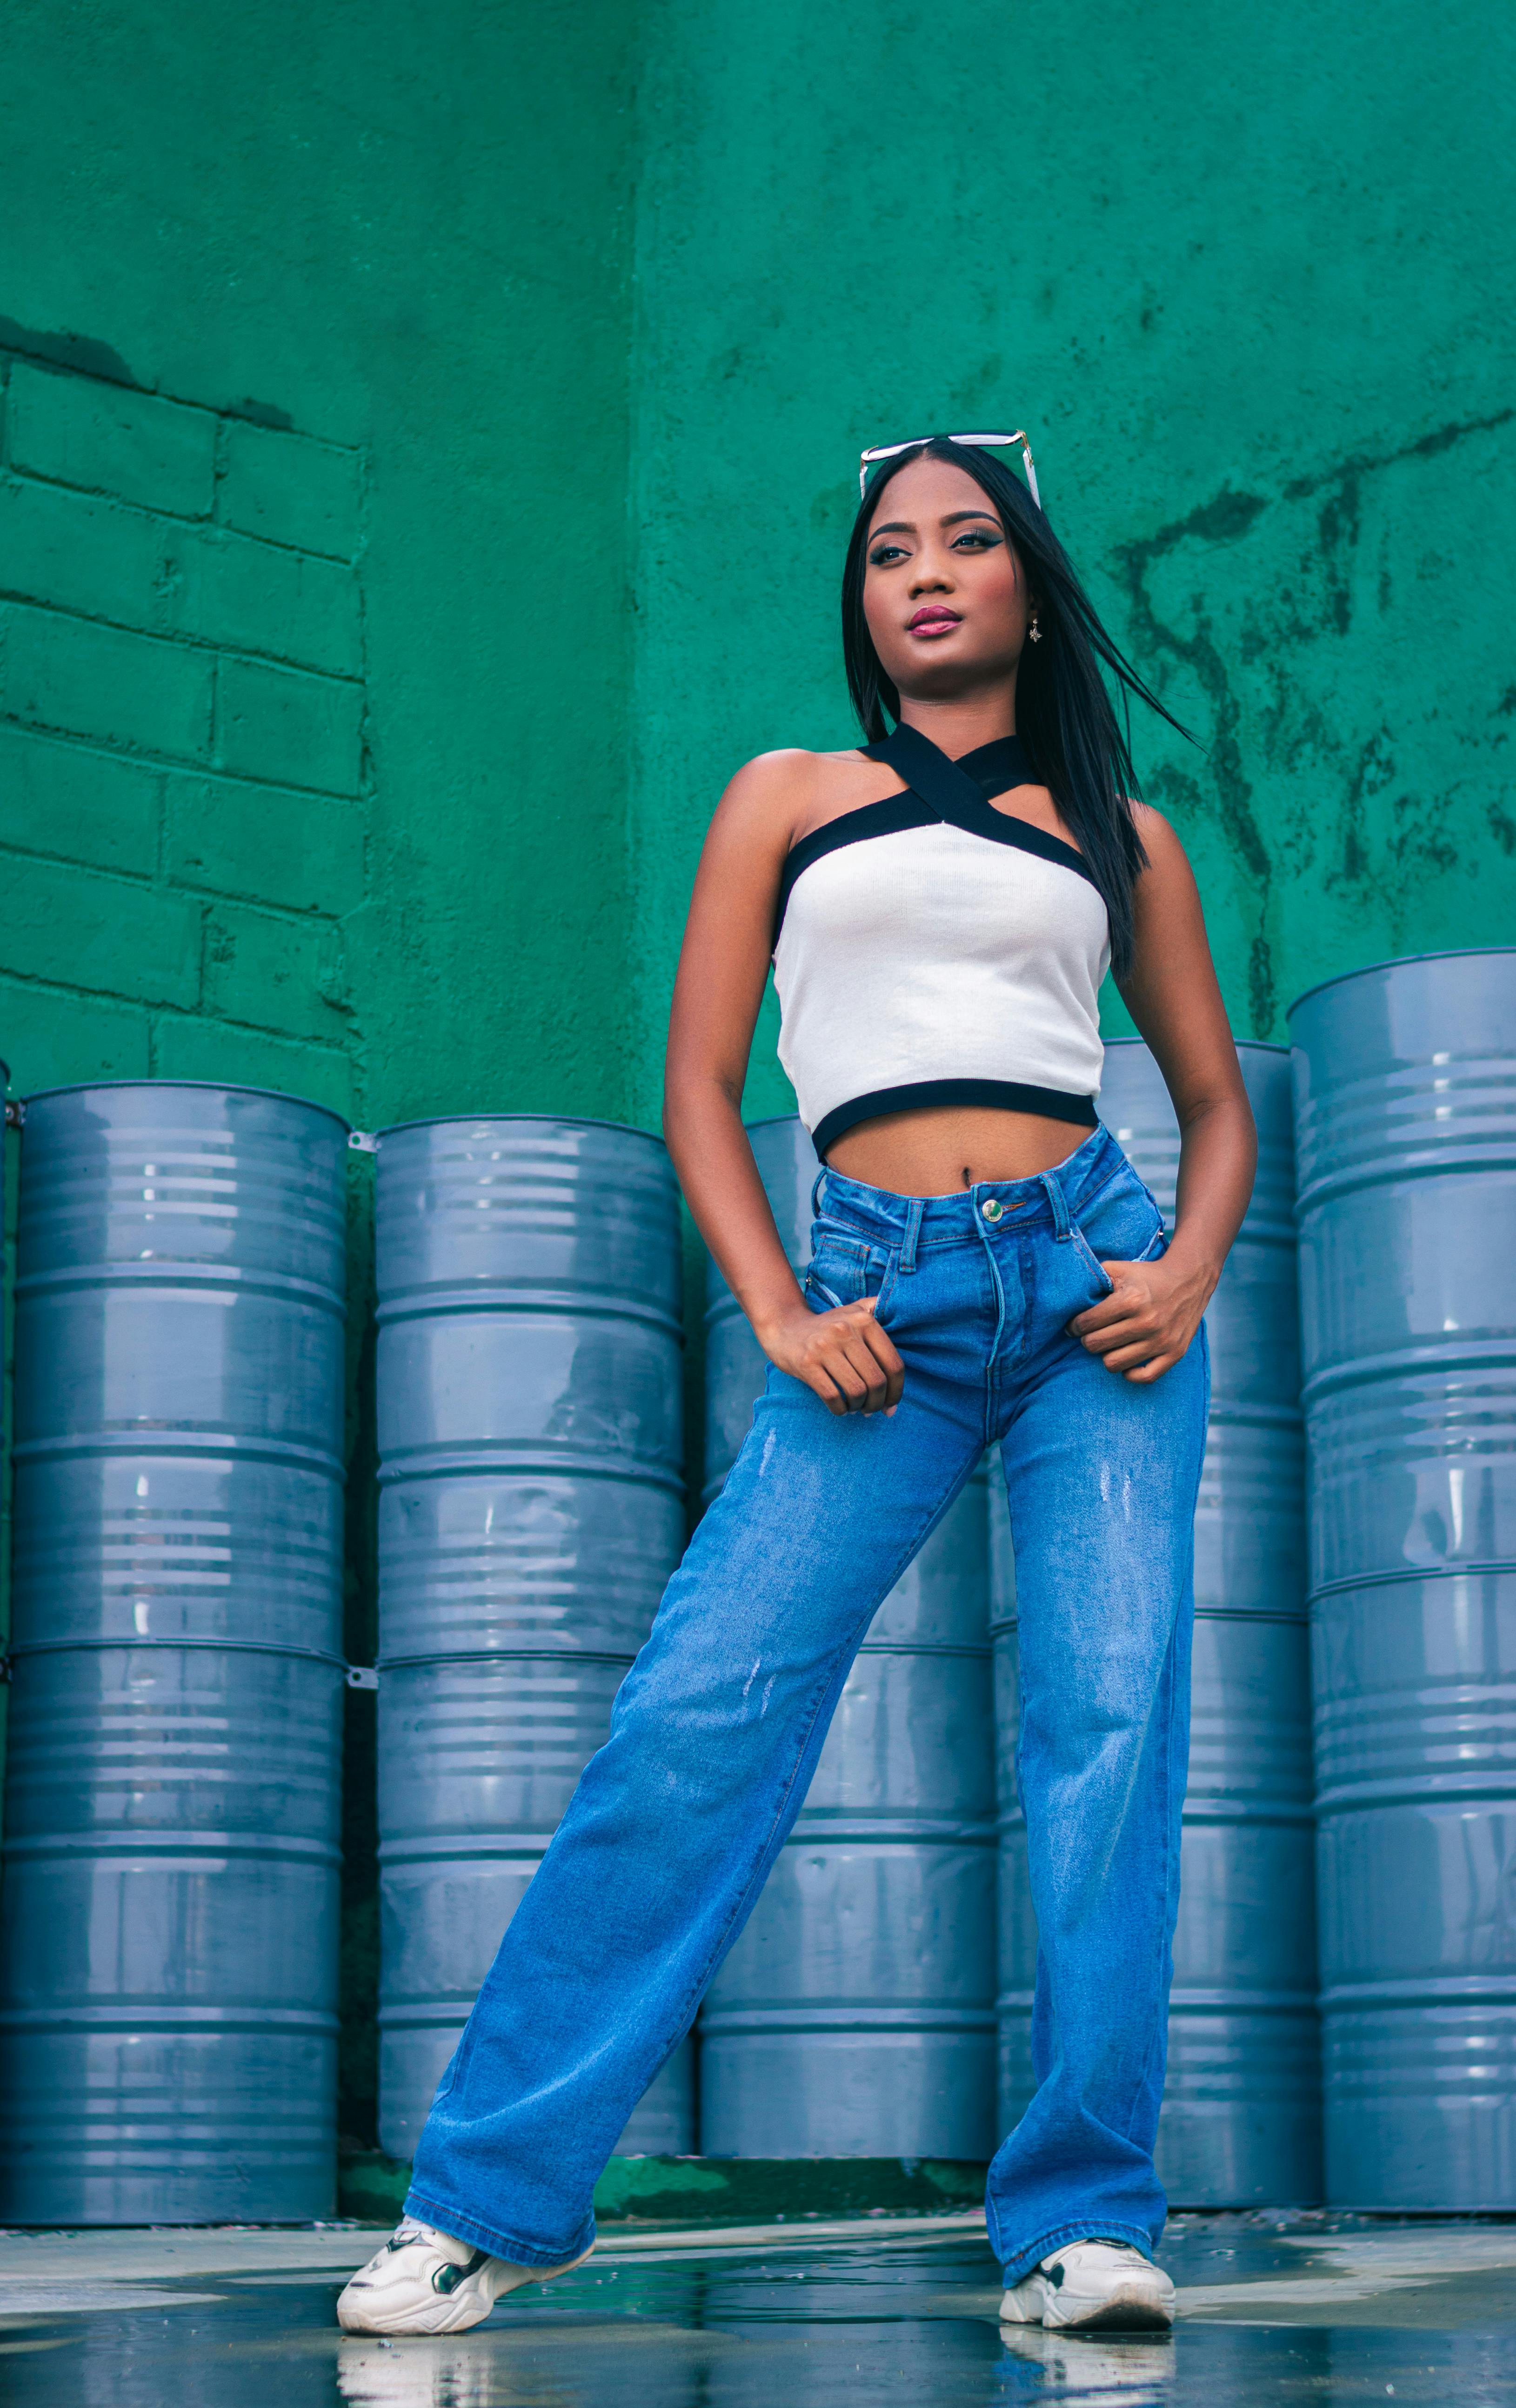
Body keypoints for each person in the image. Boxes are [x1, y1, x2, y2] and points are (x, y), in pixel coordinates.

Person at [338, 430, 1256, 2340]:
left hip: (1087, 1292)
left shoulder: (1122, 831)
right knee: (695, 1712)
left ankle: (1079, 2218)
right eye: (887, 552)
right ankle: (480, 2201)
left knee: (1107, 1736)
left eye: (965, 543)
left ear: (1023, 581)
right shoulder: (784, 793)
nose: (923, 574)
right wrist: (773, 1300)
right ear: (859, 599)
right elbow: (693, 1080)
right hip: (871, 1306)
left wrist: (1179, 1271)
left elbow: (1211, 1102)